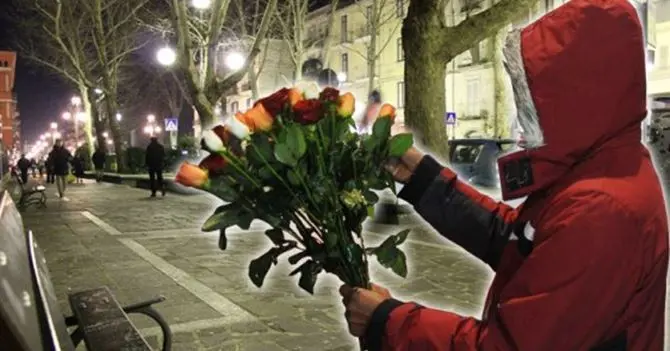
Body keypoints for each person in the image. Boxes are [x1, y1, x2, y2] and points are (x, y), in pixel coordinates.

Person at [340, 1, 668, 350]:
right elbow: (517, 240)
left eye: (532, 98)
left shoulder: (602, 208)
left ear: (578, 96)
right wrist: (423, 178)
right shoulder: (600, 169)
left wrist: (388, 321)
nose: (523, 113)